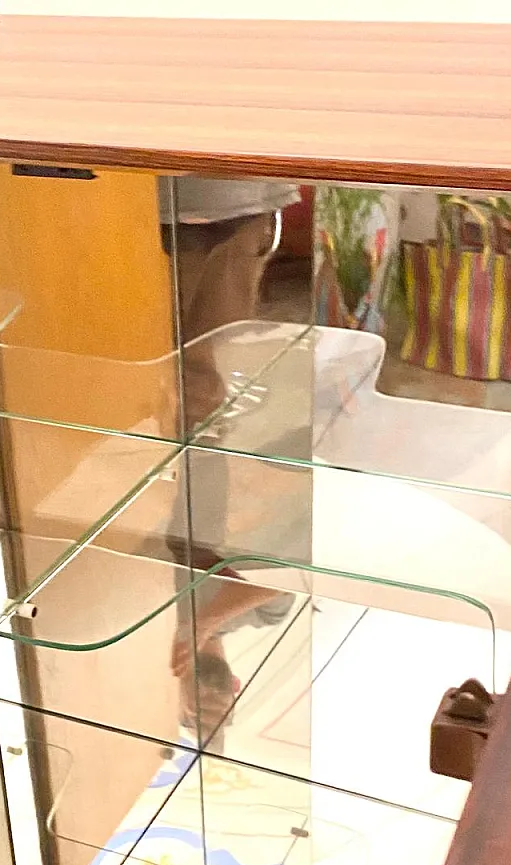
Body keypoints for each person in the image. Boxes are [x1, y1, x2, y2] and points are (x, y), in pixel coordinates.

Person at [160, 178, 307, 745]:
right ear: (240, 686)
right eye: (222, 710)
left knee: (193, 379)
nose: (210, 702)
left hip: (234, 198)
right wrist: (209, 620)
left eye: (197, 716)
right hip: (209, 458)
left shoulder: (138, 643)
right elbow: (293, 572)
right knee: (196, 386)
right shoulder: (259, 616)